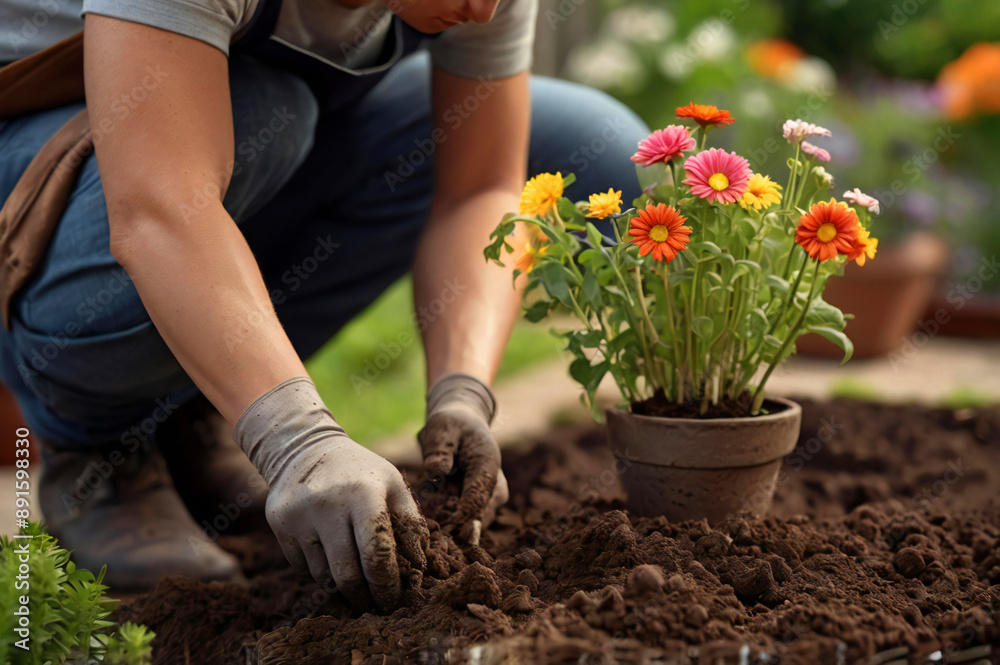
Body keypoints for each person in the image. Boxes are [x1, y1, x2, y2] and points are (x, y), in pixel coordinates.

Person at [0, 0, 648, 608]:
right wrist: (296, 438)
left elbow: (479, 189)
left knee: (586, 136)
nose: (484, 10)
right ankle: (96, 446)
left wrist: (462, 393)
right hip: (43, 154)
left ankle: (191, 407)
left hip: (225, 129)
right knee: (264, 112)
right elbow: (160, 210)